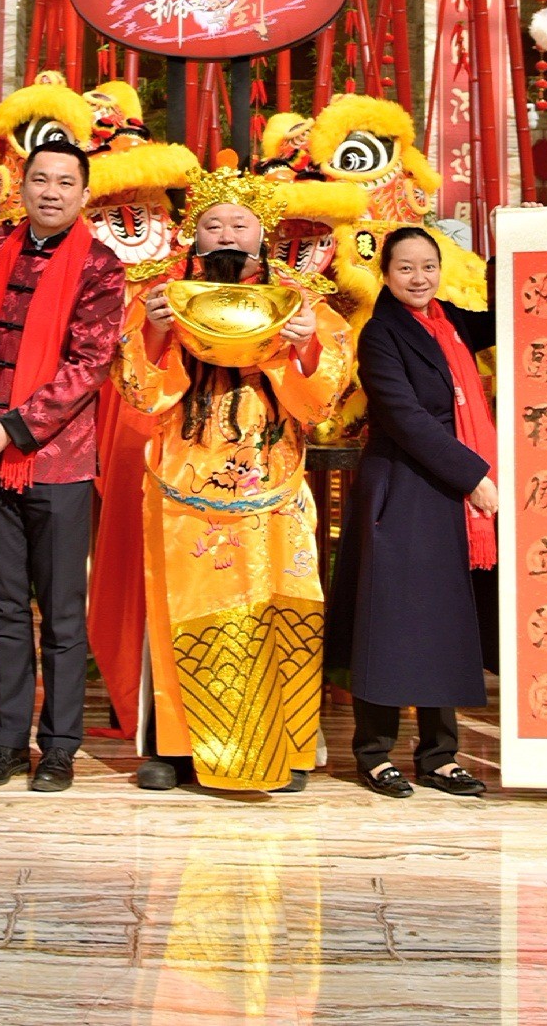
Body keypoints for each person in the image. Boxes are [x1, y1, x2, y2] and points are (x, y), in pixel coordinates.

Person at [118, 172, 354, 793]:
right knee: (183, 614)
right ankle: (178, 749)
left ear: (263, 236)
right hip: (186, 477)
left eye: (240, 225)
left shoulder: (301, 300)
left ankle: (284, 747)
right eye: (214, 224)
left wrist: (301, 350)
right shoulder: (158, 293)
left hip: (272, 479)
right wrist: (157, 330)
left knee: (283, 606)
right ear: (193, 234)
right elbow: (140, 390)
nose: (227, 235)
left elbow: (322, 397)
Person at [0, 138, 129, 793]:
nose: (52, 191)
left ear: (84, 193)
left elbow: (88, 365)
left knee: (61, 614)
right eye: (41, 179)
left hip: (55, 463)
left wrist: (16, 427)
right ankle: (6, 741)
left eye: (66, 181)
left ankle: (59, 745)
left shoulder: (101, 264)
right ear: (22, 184)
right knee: (3, 608)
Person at [337, 225, 496, 798]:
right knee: (389, 621)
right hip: (402, 488)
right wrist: (474, 475)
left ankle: (440, 754)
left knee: (442, 620)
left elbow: (512, 311)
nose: (419, 278)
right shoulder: (380, 334)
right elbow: (405, 417)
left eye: (428, 266)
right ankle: (374, 753)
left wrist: (517, 242)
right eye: (405, 268)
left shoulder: (451, 321)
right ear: (385, 274)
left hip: (445, 489)